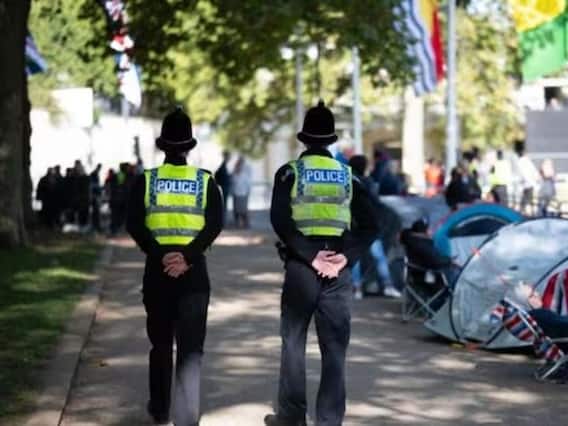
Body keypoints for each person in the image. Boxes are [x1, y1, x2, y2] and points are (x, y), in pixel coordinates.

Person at [265, 101, 381, 426]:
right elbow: (372, 225)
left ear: (304, 139)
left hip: (302, 267)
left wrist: (309, 255)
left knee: (293, 344)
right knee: (335, 349)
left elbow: (280, 220)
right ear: (331, 140)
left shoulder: (289, 173)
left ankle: (291, 418)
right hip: (338, 269)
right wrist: (346, 256)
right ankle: (329, 420)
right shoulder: (349, 177)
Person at [127, 107, 223, 426]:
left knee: (160, 345)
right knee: (190, 349)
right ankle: (186, 416)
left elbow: (134, 224)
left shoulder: (146, 181)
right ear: (189, 146)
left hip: (157, 272)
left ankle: (159, 409)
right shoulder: (204, 181)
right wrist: (188, 257)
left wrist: (161, 255)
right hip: (194, 275)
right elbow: (214, 224)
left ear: (163, 145)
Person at [348, 155, 401, 299]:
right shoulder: (368, 183)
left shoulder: (346, 181)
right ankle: (387, 285)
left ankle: (357, 287)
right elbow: (375, 203)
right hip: (370, 226)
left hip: (353, 225)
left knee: (356, 258)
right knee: (379, 256)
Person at [400, 218, 461, 288]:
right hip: (432, 276)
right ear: (423, 232)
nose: (431, 230)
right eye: (429, 229)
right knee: (457, 272)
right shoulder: (421, 244)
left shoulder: (414, 241)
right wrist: (450, 260)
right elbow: (436, 261)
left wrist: (449, 260)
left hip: (424, 273)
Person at [513, 140, 540, 215]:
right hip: (528, 185)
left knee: (526, 205)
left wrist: (531, 183)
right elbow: (534, 172)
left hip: (526, 186)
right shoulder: (526, 160)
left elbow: (525, 175)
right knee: (524, 205)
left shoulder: (521, 162)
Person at [231, 156, 252, 228]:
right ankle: (237, 223)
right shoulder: (234, 174)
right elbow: (232, 183)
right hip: (236, 194)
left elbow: (248, 184)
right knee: (236, 210)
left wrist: (248, 192)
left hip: (243, 194)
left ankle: (246, 223)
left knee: (243, 210)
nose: (238, 167)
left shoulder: (245, 175)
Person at [214, 150, 232, 222]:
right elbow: (217, 176)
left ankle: (222, 221)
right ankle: (222, 222)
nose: (229, 158)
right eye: (228, 156)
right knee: (223, 206)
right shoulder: (222, 166)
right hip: (223, 189)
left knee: (224, 206)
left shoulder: (224, 165)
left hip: (224, 188)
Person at [90, 164, 103, 232]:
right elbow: (93, 187)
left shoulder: (95, 174)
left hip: (95, 197)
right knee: (96, 213)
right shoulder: (94, 174)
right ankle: (96, 227)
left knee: (96, 213)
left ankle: (96, 227)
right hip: (95, 197)